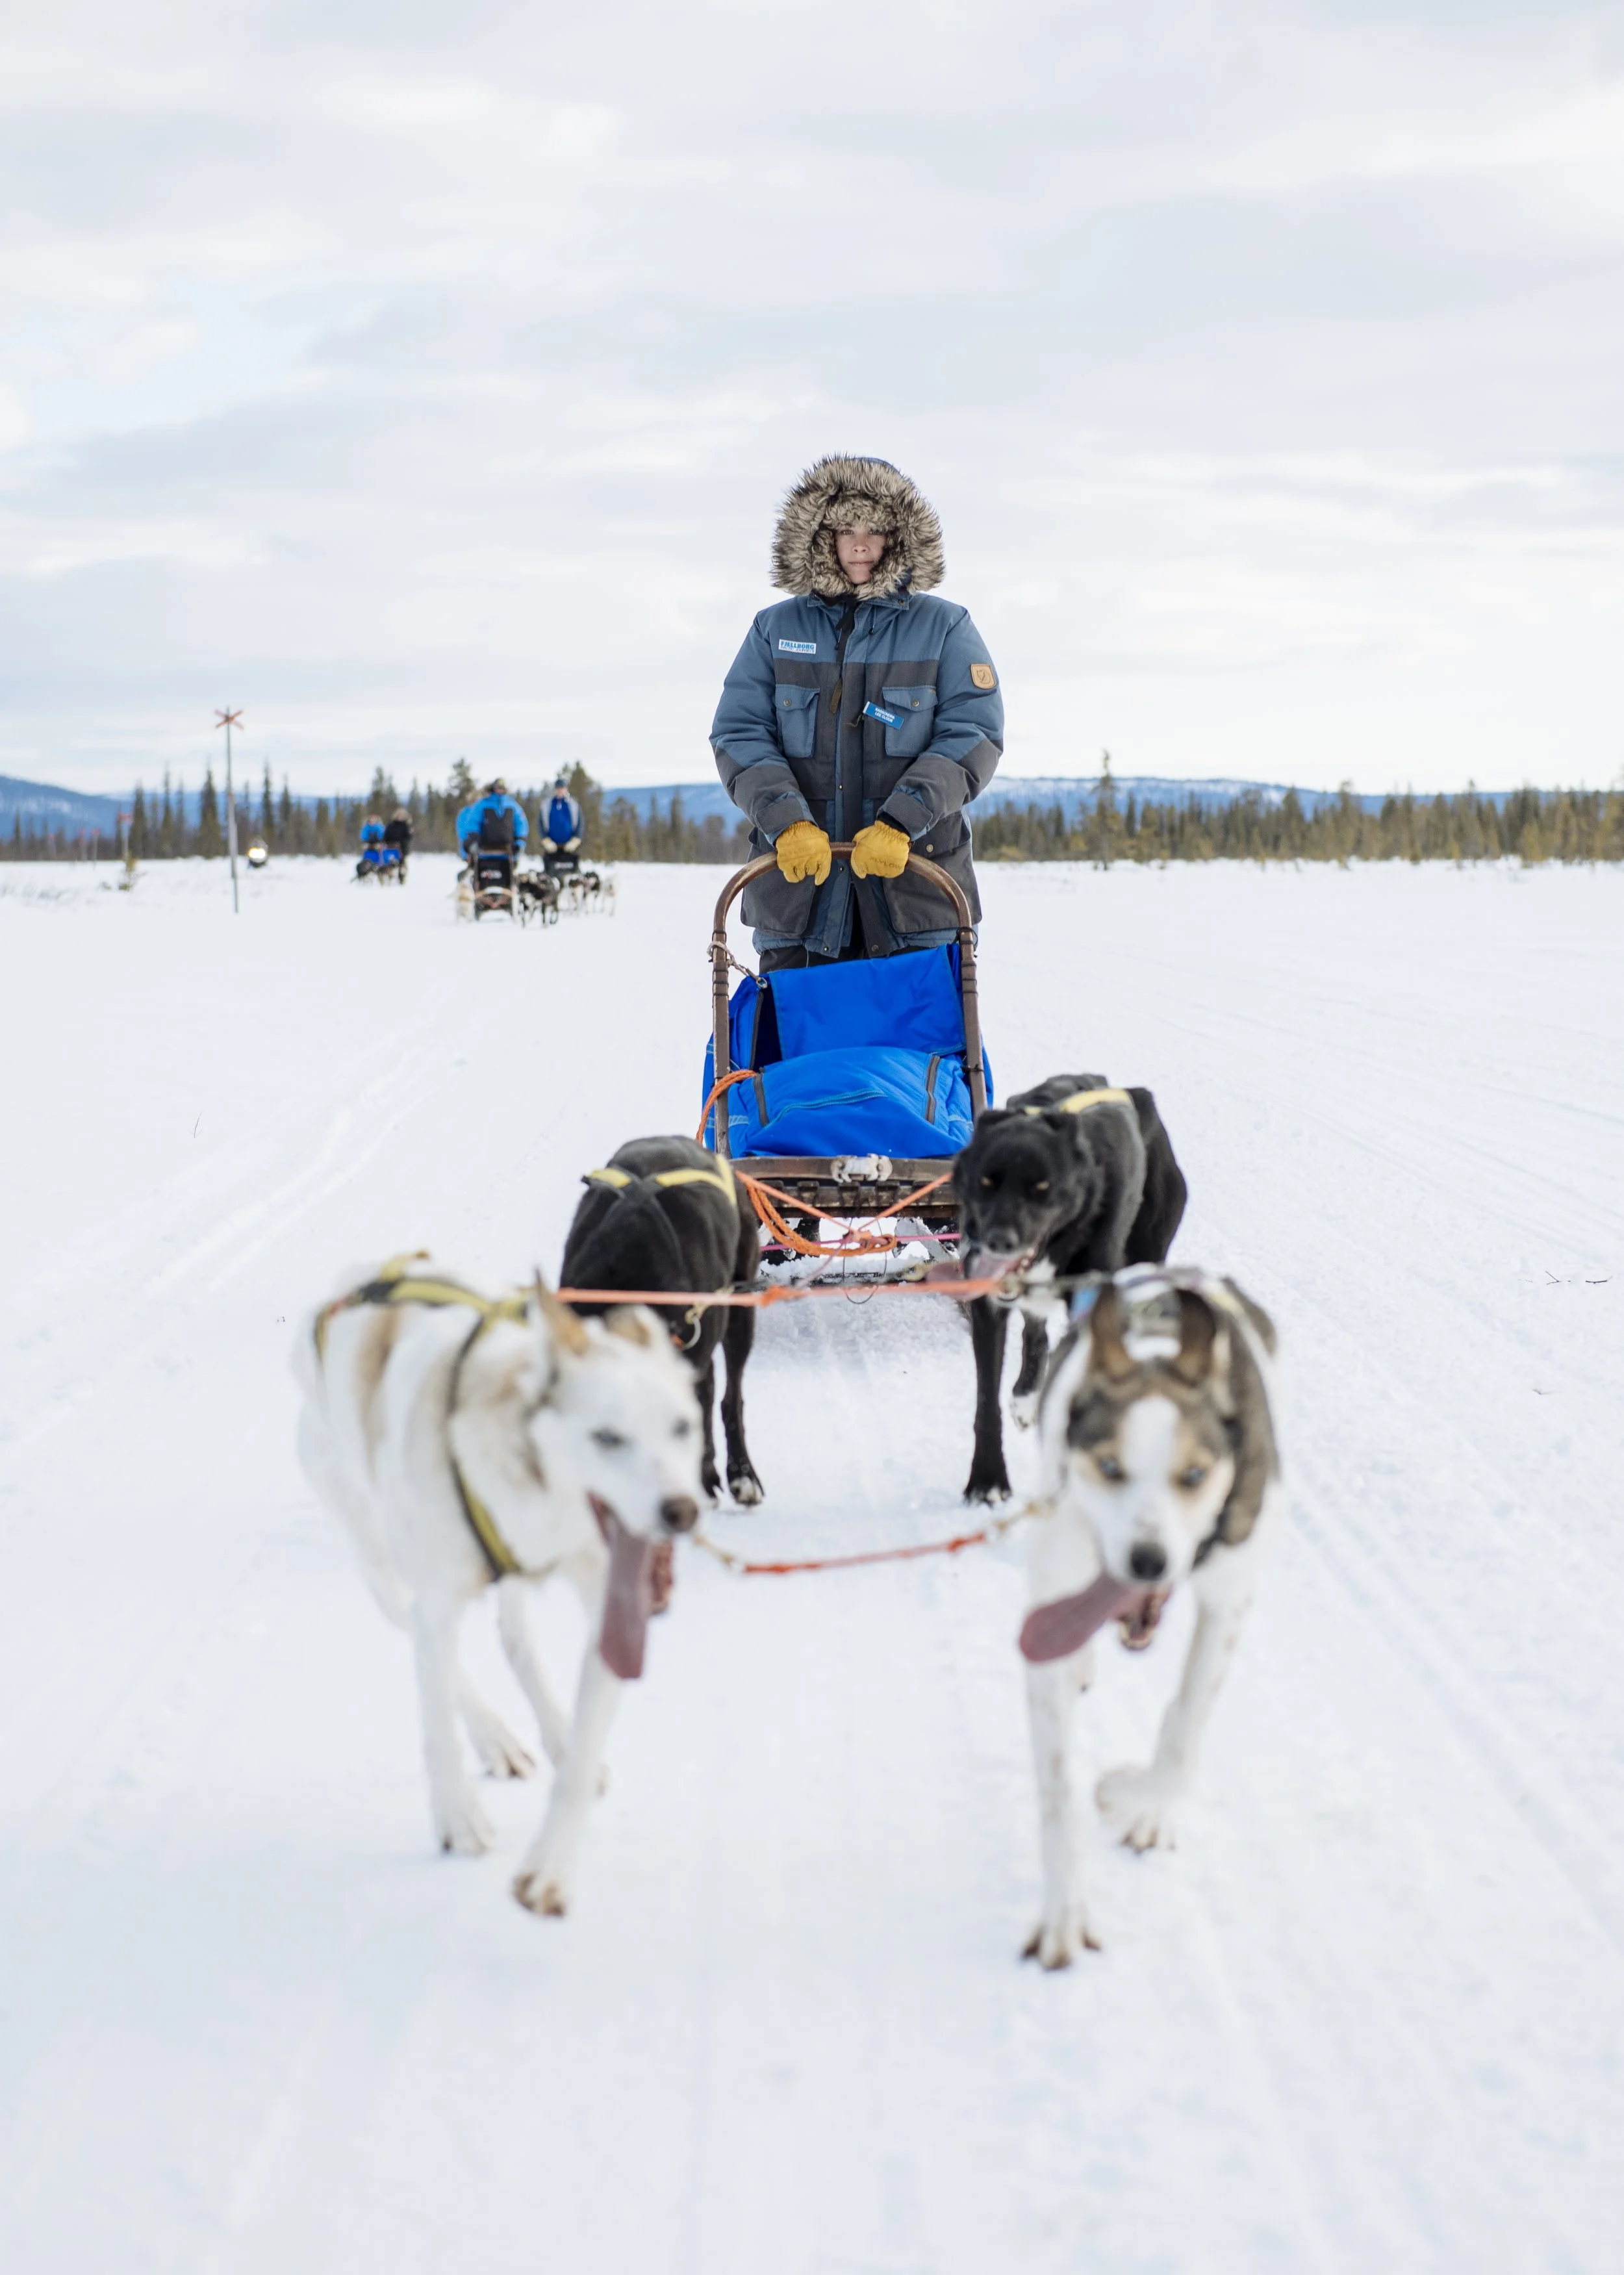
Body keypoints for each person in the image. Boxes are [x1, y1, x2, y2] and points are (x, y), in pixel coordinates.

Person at [710, 455, 1003, 971]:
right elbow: (739, 732)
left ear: (899, 536)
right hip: (800, 904)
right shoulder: (773, 630)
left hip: (918, 900)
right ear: (823, 537)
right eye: (846, 530)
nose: (861, 544)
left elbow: (972, 733)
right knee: (795, 1051)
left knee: (919, 1055)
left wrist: (901, 822)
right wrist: (787, 823)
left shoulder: (946, 627)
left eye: (875, 530)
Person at [455, 779, 528, 865]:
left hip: (508, 850)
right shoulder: (481, 805)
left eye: (502, 788)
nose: (500, 790)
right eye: (498, 788)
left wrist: (520, 842)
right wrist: (473, 842)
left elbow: (521, 824)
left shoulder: (513, 805)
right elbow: (470, 825)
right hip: (484, 851)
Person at [540, 774, 585, 869]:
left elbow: (580, 823)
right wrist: (545, 840)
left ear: (566, 789)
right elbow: (541, 824)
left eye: (562, 788)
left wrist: (576, 840)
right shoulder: (547, 805)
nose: (560, 791)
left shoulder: (573, 805)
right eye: (558, 788)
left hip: (570, 847)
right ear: (554, 790)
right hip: (552, 848)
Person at [382, 804, 413, 878]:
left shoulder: (406, 825)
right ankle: (388, 871)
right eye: (399, 815)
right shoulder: (391, 825)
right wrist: (387, 842)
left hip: (402, 847)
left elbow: (408, 837)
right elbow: (386, 835)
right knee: (387, 858)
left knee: (402, 861)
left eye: (402, 815)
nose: (400, 817)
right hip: (390, 846)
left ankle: (402, 874)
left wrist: (409, 835)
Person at [355, 813, 386, 879]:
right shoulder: (366, 827)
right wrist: (365, 843)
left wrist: (380, 843)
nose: (372, 820)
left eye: (374, 819)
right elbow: (363, 836)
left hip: (377, 845)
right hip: (368, 845)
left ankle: (381, 868)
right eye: (371, 819)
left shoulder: (379, 827)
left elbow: (382, 836)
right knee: (366, 856)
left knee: (381, 853)